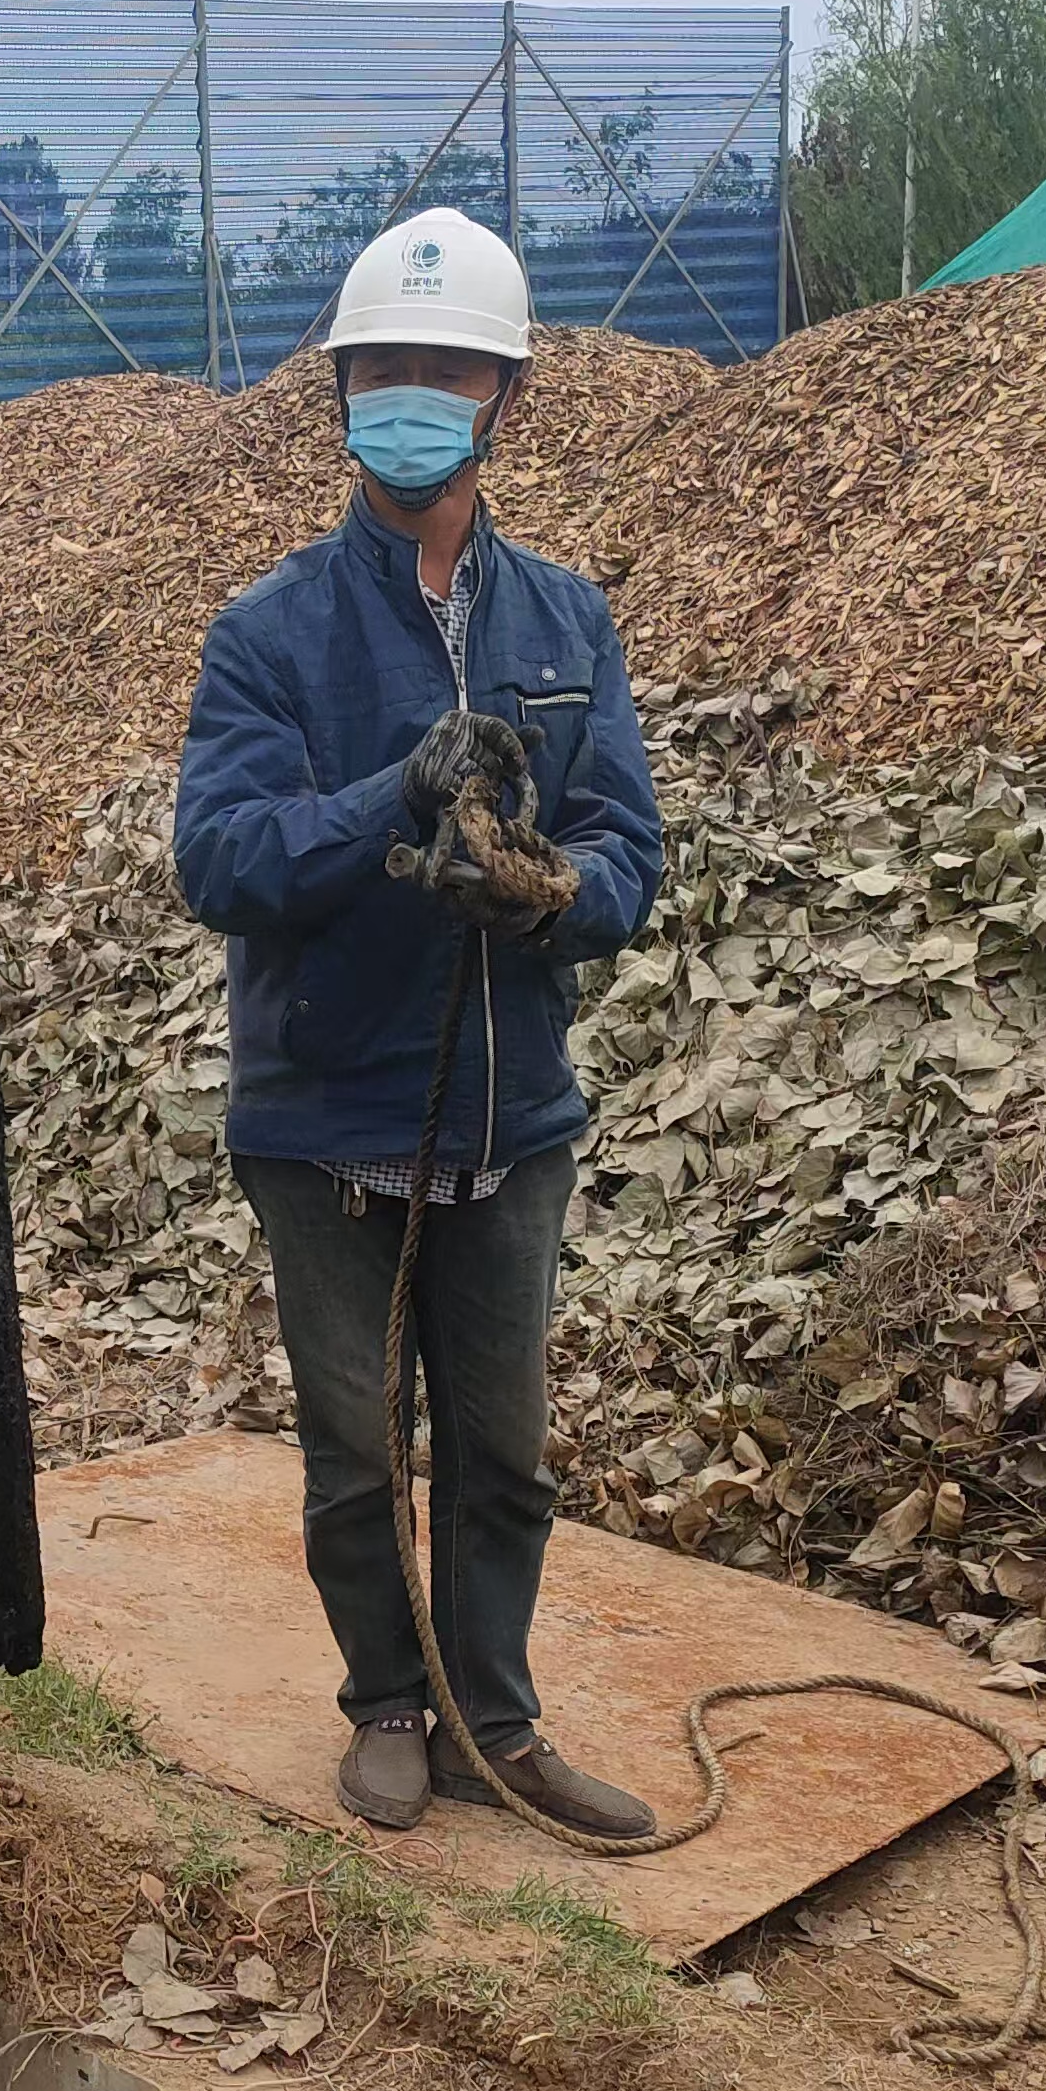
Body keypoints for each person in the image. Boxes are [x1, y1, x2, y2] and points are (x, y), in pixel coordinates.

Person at [172, 206, 665, 1837]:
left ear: (502, 394)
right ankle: (390, 1702)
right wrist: (393, 798)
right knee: (358, 1450)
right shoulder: (268, 634)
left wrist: (547, 894)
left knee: (506, 1449)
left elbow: (629, 854)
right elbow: (222, 860)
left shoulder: (566, 624)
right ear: (340, 390)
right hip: (326, 1109)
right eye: (382, 366)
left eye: (445, 370)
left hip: (510, 1112)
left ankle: (495, 1720)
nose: (411, 395)